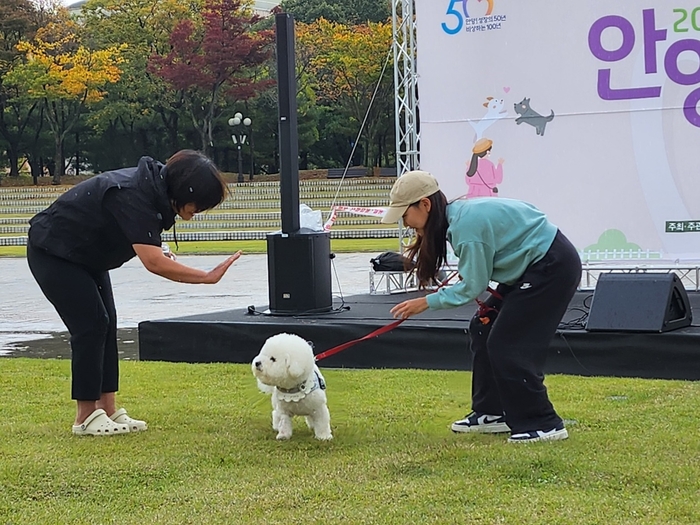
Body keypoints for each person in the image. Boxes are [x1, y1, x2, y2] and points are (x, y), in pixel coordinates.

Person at [27, 150, 242, 436]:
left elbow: (143, 236)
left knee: (107, 322)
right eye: (199, 203)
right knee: (91, 326)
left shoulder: (151, 190)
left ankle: (108, 408)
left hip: (84, 256)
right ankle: (85, 417)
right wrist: (206, 277)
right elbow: (153, 263)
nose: (198, 210)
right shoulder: (133, 194)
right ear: (185, 189)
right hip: (53, 252)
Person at [382, 170, 581, 443]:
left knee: (508, 342)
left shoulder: (465, 227)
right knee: (482, 328)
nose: (405, 223)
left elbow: (472, 287)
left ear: (425, 205)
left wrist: (425, 302)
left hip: (551, 266)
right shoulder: (457, 220)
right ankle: (492, 413)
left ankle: (543, 423)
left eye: (405, 215)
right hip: (531, 267)